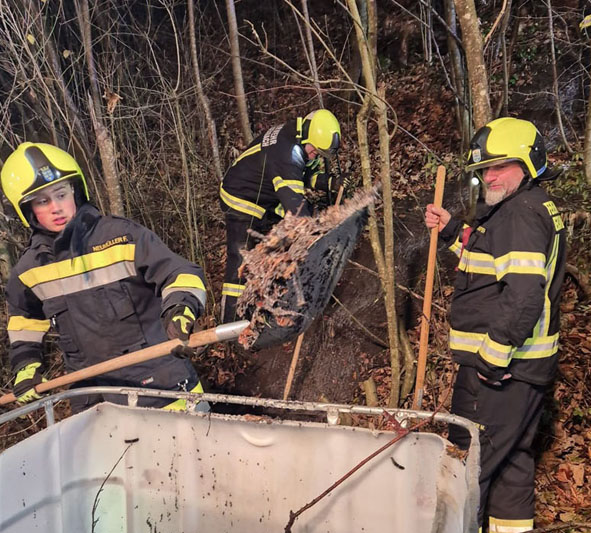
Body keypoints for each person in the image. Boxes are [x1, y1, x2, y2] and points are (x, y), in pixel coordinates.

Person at [425, 117, 566, 533]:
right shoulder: (524, 208)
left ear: (529, 164)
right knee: (512, 463)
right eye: (485, 169)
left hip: (499, 374)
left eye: (501, 167)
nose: (489, 177)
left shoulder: (520, 214)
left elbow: (523, 295)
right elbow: (491, 260)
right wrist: (452, 233)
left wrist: (491, 358)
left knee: (468, 470)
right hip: (525, 373)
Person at [1, 142, 208, 413]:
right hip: (95, 402)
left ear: (76, 190)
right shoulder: (28, 271)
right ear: (26, 210)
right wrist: (26, 365)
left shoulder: (122, 237)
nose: (56, 208)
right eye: (43, 201)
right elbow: (24, 321)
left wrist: (180, 308)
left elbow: (178, 273)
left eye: (61, 194)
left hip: (165, 389)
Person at [219, 108, 345, 323]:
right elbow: (296, 209)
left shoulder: (297, 132)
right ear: (308, 136)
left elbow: (302, 171)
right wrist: (314, 239)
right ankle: (230, 324)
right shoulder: (285, 154)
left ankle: (270, 298)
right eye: (315, 151)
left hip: (265, 195)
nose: (315, 155)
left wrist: (326, 182)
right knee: (240, 261)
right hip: (241, 198)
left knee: (274, 249)